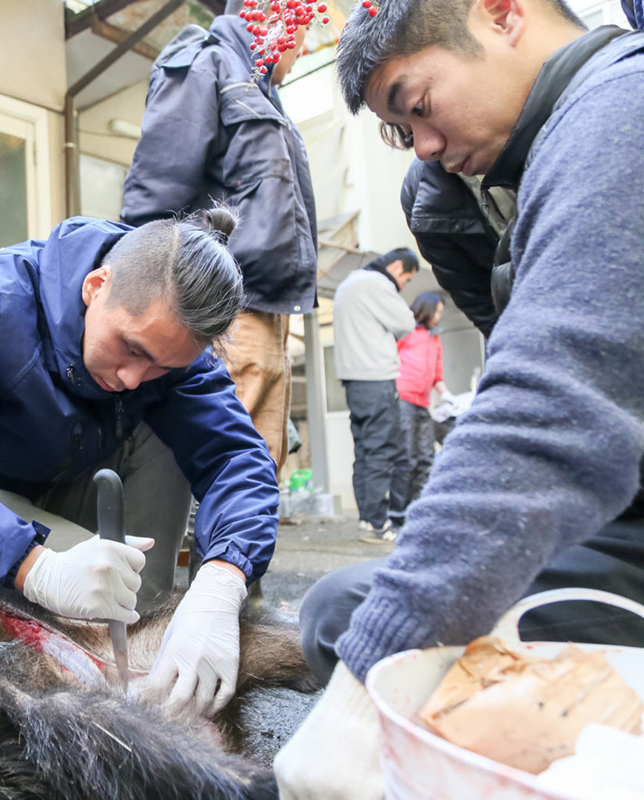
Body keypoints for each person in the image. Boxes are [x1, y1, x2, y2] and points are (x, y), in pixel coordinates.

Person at [274, 0, 644, 796]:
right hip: (623, 514)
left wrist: (361, 697)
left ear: (502, 14)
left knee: (389, 656)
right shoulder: (485, 181)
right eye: (404, 136)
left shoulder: (622, 115)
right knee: (344, 607)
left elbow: (547, 412)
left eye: (418, 106)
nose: (429, 148)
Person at [0, 212, 279, 719]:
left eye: (162, 366)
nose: (135, 377)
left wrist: (222, 582)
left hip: (76, 485)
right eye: (131, 349)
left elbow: (237, 457)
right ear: (97, 286)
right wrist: (35, 567)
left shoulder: (170, 341)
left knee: (178, 436)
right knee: (43, 629)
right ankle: (104, 630)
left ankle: (145, 637)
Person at [121, 1, 317, 473]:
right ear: (275, 16)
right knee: (206, 469)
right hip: (217, 311)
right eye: (302, 30)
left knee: (256, 470)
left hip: (268, 308)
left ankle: (236, 549)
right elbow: (155, 193)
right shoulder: (205, 62)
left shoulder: (265, 92)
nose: (304, 46)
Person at [331, 248, 417, 542]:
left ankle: (368, 519)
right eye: (406, 277)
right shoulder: (377, 284)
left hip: (353, 380)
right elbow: (406, 323)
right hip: (377, 379)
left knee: (365, 452)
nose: (403, 285)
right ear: (395, 266)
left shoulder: (348, 284)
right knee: (382, 451)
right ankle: (379, 523)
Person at [388, 292, 452, 526]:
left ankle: (418, 511)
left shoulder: (435, 338)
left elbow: (437, 376)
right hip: (403, 399)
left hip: (424, 403)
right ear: (425, 309)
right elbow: (389, 357)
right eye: (436, 312)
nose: (438, 317)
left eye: (440, 313)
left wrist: (447, 396)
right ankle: (397, 514)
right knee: (406, 458)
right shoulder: (407, 332)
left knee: (426, 457)